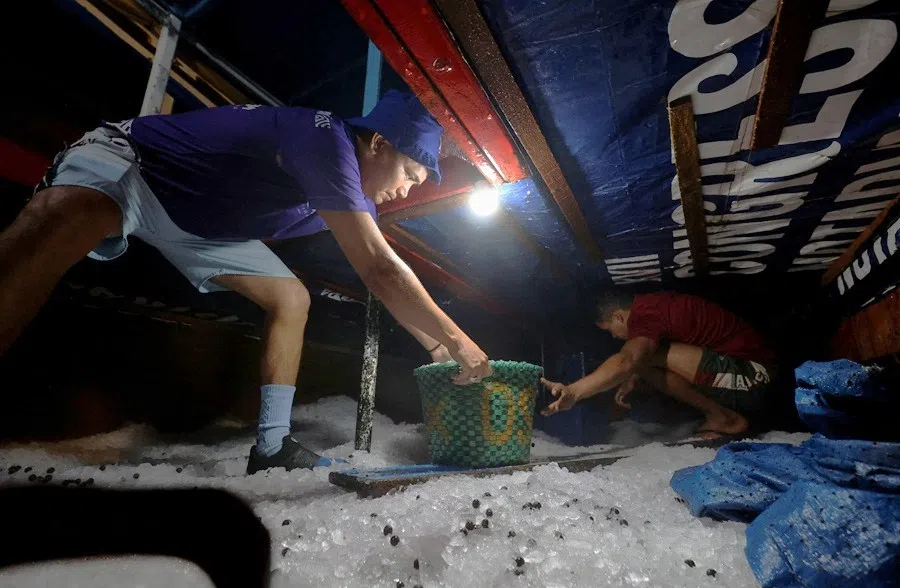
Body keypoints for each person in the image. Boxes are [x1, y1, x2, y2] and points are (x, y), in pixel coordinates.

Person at [0, 90, 492, 473]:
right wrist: (457, 337)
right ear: (379, 143)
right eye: (411, 173)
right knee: (69, 215)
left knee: (290, 297)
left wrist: (436, 350)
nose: (407, 189)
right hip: (137, 167)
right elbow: (381, 270)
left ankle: (273, 446)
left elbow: (383, 273)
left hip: (201, 227)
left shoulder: (354, 194)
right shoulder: (324, 140)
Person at [540, 289, 775, 438]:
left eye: (611, 330)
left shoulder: (646, 315)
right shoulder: (653, 307)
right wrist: (631, 377)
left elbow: (627, 359)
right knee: (644, 365)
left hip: (754, 376)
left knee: (642, 360)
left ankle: (726, 419)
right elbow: (636, 363)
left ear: (618, 316)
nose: (614, 337)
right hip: (743, 377)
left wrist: (573, 391)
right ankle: (721, 417)